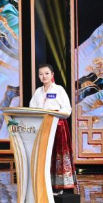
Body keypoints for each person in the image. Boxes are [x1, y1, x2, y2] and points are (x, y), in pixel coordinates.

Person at [29, 64, 74, 193]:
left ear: (52, 74)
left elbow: (67, 110)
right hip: (42, 127)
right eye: (41, 74)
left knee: (56, 155)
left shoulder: (59, 90)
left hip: (57, 126)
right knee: (44, 156)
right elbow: (32, 108)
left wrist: (54, 113)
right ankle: (44, 185)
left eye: (46, 73)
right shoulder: (38, 92)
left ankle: (58, 186)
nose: (44, 76)